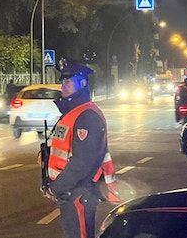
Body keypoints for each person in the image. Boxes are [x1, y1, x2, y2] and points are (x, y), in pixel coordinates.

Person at [39, 59, 119, 238]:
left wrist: (56, 187)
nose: (63, 85)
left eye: (68, 81)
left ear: (82, 83)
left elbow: (82, 162)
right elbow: (64, 147)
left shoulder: (87, 116)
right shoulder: (72, 112)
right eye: (62, 81)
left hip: (79, 193)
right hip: (70, 193)